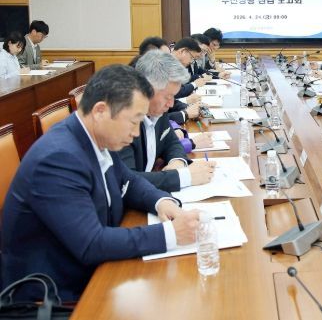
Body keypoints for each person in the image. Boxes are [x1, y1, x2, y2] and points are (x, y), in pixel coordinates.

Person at [1, 65, 200, 301]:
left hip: (91, 270)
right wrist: (170, 234)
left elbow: (129, 181)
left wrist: (162, 202)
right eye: (134, 121)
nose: (137, 133)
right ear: (100, 111)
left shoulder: (95, 136)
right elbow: (91, 244)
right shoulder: (57, 159)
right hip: (52, 295)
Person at [118, 50, 215, 192]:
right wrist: (183, 177)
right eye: (168, 97)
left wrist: (177, 162)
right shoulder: (122, 120)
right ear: (146, 89)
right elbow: (126, 181)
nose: (171, 104)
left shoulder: (158, 110)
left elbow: (171, 142)